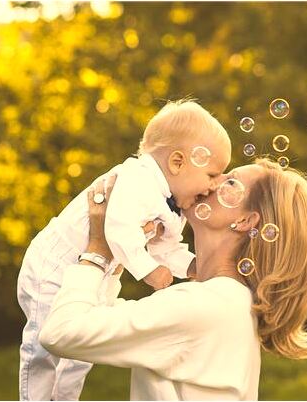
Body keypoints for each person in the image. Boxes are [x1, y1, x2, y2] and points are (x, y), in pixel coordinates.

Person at [39, 157, 307, 400]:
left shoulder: (204, 306)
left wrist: (98, 250)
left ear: (245, 221)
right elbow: (96, 316)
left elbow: (62, 332)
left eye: (230, 182)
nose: (214, 182)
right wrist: (119, 252)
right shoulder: (226, 302)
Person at [17, 100, 232, 400]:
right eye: (211, 174)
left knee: (80, 351)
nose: (213, 186)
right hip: (55, 264)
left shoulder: (174, 206)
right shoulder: (137, 179)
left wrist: (195, 266)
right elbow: (117, 227)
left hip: (99, 274)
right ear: (178, 162)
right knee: (43, 344)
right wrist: (148, 271)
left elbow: (167, 248)